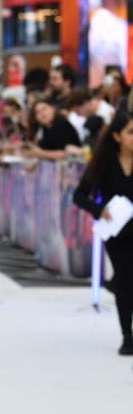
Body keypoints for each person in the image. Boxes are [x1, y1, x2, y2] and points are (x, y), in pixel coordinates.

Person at [73, 110, 133, 355]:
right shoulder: (104, 163)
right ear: (117, 136)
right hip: (117, 233)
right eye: (130, 132)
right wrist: (100, 210)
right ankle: (127, 335)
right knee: (125, 279)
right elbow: (79, 195)